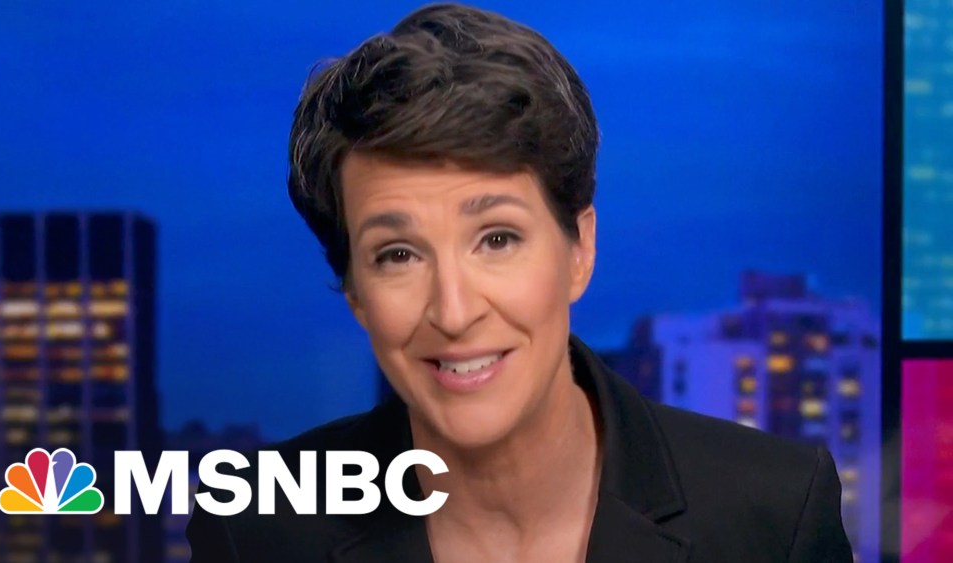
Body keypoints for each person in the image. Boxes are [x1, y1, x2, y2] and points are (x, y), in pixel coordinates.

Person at [187, 3, 853, 561]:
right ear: (355, 292)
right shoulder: (256, 527)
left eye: (497, 239)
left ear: (579, 249)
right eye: (398, 254)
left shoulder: (773, 515)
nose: (454, 311)